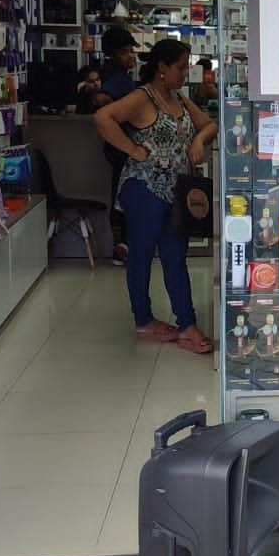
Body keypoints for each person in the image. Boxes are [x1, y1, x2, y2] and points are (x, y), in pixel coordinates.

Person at [94, 39, 219, 353]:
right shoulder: (142, 97)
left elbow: (209, 125)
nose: (184, 72)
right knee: (142, 253)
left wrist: (198, 141)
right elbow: (102, 118)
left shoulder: (178, 98)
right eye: (180, 67)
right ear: (161, 67)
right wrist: (133, 150)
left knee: (176, 256)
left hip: (174, 190)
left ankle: (187, 324)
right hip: (144, 187)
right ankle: (144, 319)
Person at [94, 27, 140, 262]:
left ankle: (124, 244)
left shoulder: (114, 73)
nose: (131, 56)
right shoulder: (116, 76)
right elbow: (101, 99)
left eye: (132, 51)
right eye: (125, 52)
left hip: (118, 146)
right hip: (121, 147)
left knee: (123, 193)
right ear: (113, 54)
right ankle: (123, 246)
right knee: (124, 195)